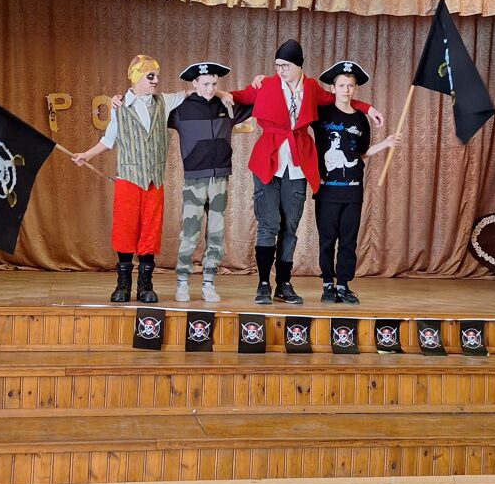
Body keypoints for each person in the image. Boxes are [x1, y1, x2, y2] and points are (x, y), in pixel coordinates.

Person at [230, 39, 384, 305]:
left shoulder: (312, 88)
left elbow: (339, 99)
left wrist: (368, 108)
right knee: (269, 224)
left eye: (285, 65)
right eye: (277, 65)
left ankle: (284, 284)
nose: (280, 70)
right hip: (267, 162)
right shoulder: (266, 85)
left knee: (290, 227)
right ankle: (264, 283)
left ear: (298, 65)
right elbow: (238, 97)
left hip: (298, 164)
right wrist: (219, 94)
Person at [72, 55, 184, 304]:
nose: (156, 80)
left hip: (154, 181)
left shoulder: (164, 102)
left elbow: (189, 94)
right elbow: (108, 140)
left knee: (150, 232)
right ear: (136, 77)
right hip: (127, 180)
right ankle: (123, 285)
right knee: (125, 230)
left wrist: (217, 91)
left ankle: (146, 286)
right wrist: (86, 155)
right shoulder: (119, 107)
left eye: (157, 76)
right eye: (150, 76)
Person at [313, 61, 399, 304]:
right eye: (341, 85)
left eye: (350, 85)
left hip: (352, 191)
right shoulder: (321, 114)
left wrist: (385, 144)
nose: (346, 90)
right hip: (327, 190)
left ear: (355, 89)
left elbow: (361, 153)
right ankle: (327, 284)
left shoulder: (361, 119)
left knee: (348, 240)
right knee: (327, 239)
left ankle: (343, 285)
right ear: (333, 88)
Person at [167, 62, 252, 303]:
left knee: (215, 233)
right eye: (205, 84)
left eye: (215, 84)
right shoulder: (180, 109)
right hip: (194, 179)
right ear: (194, 83)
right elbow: (151, 108)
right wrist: (120, 101)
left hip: (220, 179)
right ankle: (182, 282)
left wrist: (227, 94)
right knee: (190, 234)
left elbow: (257, 101)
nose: (210, 89)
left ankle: (208, 283)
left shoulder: (226, 105)